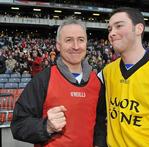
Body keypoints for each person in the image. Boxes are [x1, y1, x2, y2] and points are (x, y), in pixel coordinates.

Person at [11, 17, 106, 147]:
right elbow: (18, 125)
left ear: (86, 44)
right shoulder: (43, 79)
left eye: (81, 40)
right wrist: (47, 127)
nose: (76, 46)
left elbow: (100, 125)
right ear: (58, 46)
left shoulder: (97, 82)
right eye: (69, 40)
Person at [95, 7, 149, 147]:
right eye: (110, 29)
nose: (112, 33)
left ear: (139, 28)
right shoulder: (106, 73)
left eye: (119, 26)